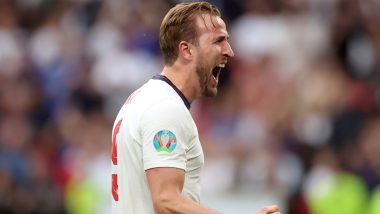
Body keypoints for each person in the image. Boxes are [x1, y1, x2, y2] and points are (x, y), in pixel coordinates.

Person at [111, 2, 280, 214]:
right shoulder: (165, 108)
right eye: (219, 41)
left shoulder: (141, 99)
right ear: (187, 50)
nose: (230, 51)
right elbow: (166, 202)